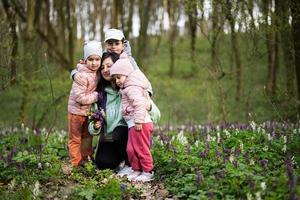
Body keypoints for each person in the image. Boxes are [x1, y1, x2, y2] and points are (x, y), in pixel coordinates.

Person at [110, 57, 155, 182]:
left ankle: (148, 171)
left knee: (141, 148)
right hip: (133, 123)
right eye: (115, 78)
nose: (117, 81)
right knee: (131, 148)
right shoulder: (126, 88)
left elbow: (140, 104)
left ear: (127, 74)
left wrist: (138, 120)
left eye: (119, 77)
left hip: (141, 123)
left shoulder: (132, 88)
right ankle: (137, 169)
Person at [88, 52, 133, 176]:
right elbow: (91, 121)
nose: (105, 70)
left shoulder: (130, 87)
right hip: (109, 138)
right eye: (102, 67)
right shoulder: (100, 94)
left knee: (119, 131)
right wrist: (95, 126)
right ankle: (120, 160)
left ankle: (131, 164)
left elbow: (155, 114)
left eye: (109, 66)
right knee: (102, 163)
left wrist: (148, 105)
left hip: (130, 135)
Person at [67, 40, 102, 167]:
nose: (94, 63)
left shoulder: (97, 73)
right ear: (85, 60)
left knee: (87, 136)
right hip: (76, 112)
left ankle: (86, 158)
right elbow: (80, 97)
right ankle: (75, 163)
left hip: (88, 113)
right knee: (75, 138)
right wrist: (97, 96)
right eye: (91, 59)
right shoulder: (81, 76)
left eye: (97, 59)